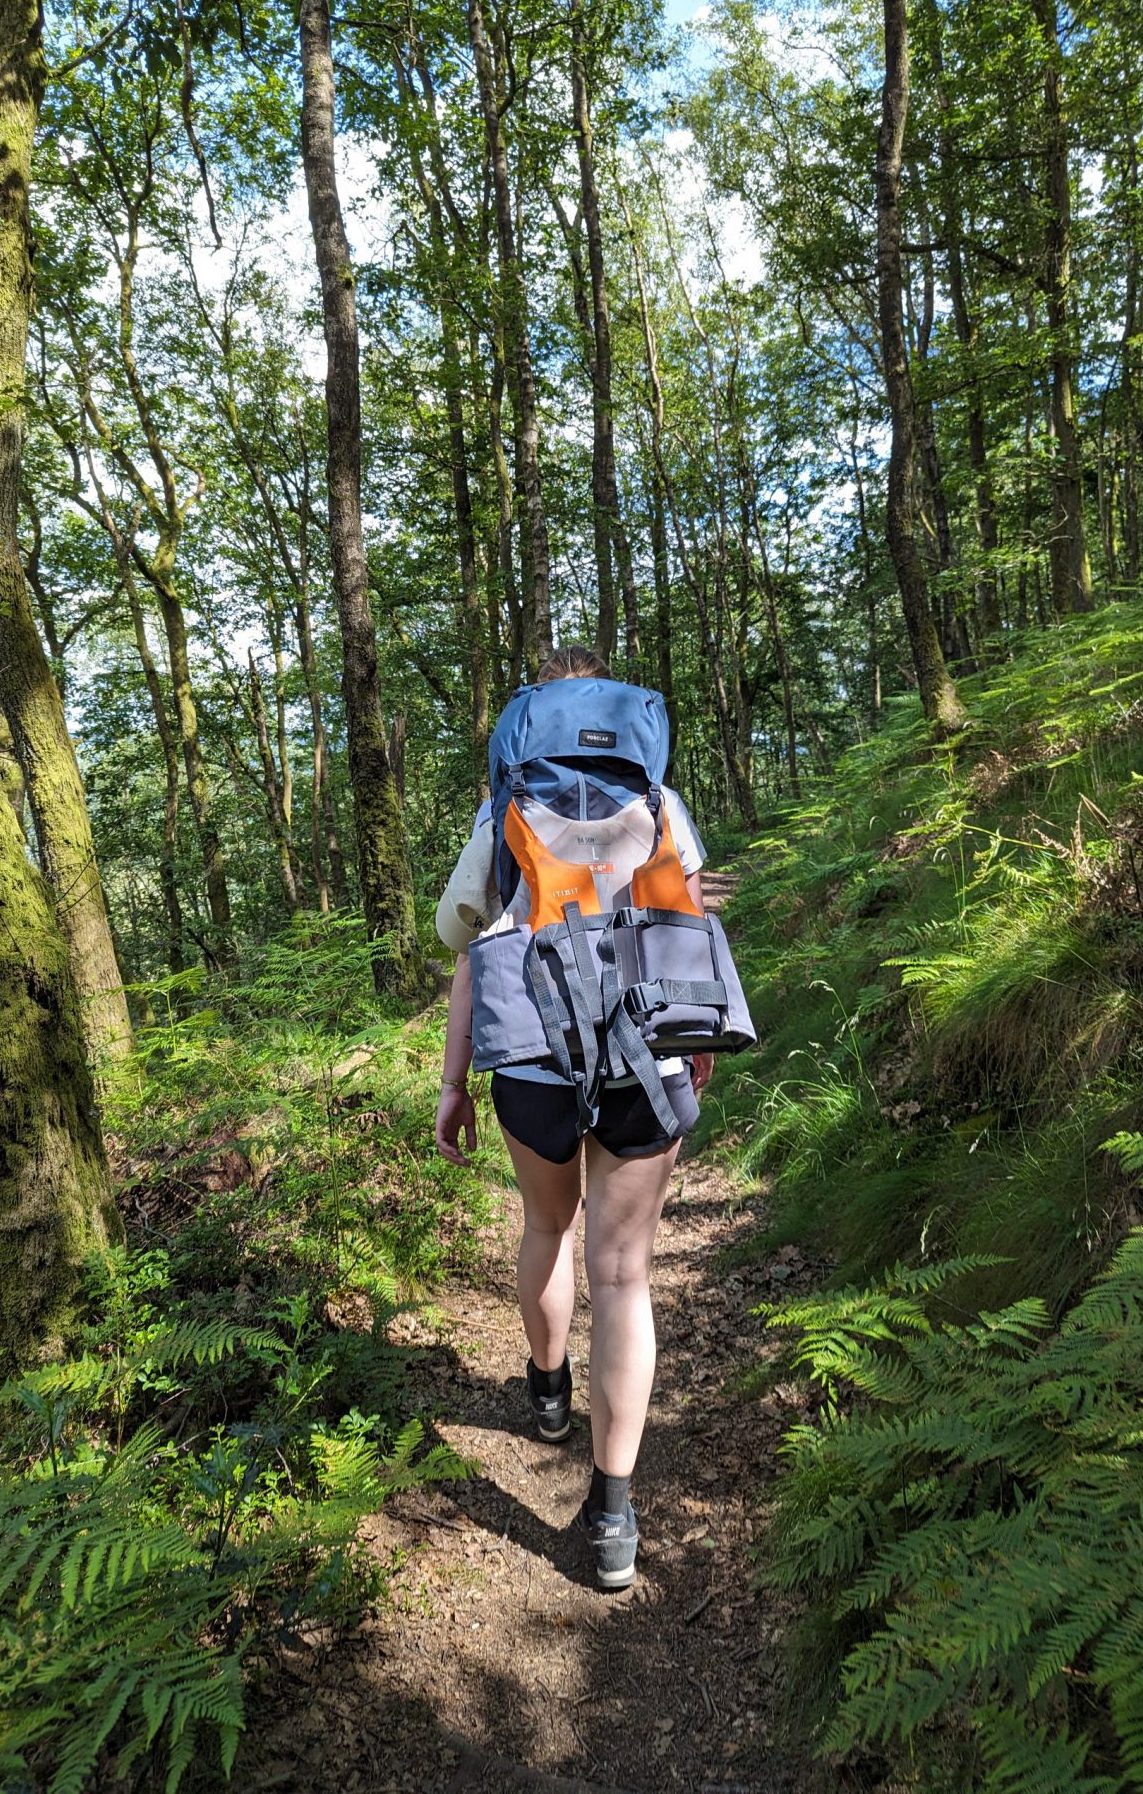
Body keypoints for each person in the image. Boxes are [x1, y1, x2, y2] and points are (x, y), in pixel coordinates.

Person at [433, 645, 713, 1591]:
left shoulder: (502, 810)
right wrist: (697, 1036)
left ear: (529, 719)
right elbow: (689, 924)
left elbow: (468, 949)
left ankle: (548, 1395)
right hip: (646, 1044)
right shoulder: (660, 804)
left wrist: (452, 1082)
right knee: (626, 1274)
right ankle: (613, 1516)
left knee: (547, 1225)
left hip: (534, 1053)